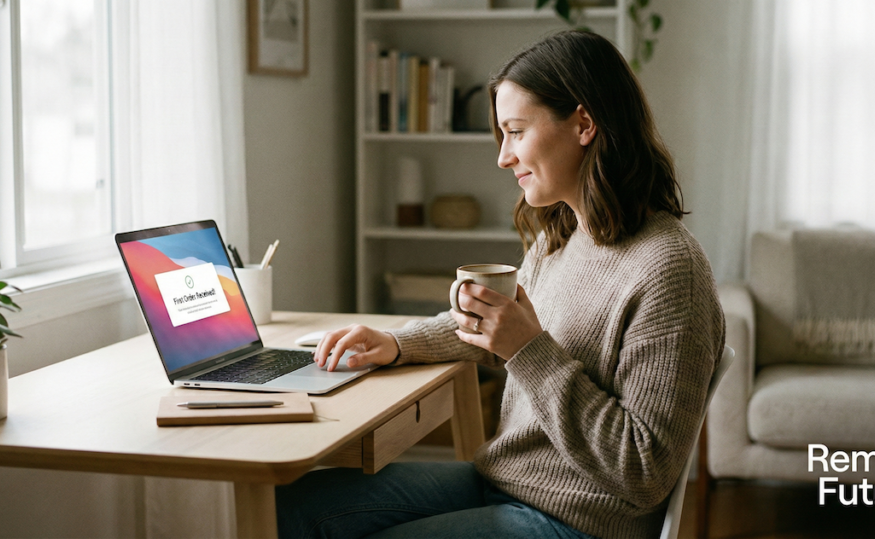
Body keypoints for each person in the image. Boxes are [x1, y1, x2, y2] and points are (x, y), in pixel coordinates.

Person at [276, 30, 725, 539]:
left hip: (580, 522)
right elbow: (500, 332)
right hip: (509, 482)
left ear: (583, 123)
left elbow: (643, 471)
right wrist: (396, 343)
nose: (503, 157)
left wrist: (527, 349)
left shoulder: (670, 270)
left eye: (515, 131)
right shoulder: (564, 237)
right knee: (292, 506)